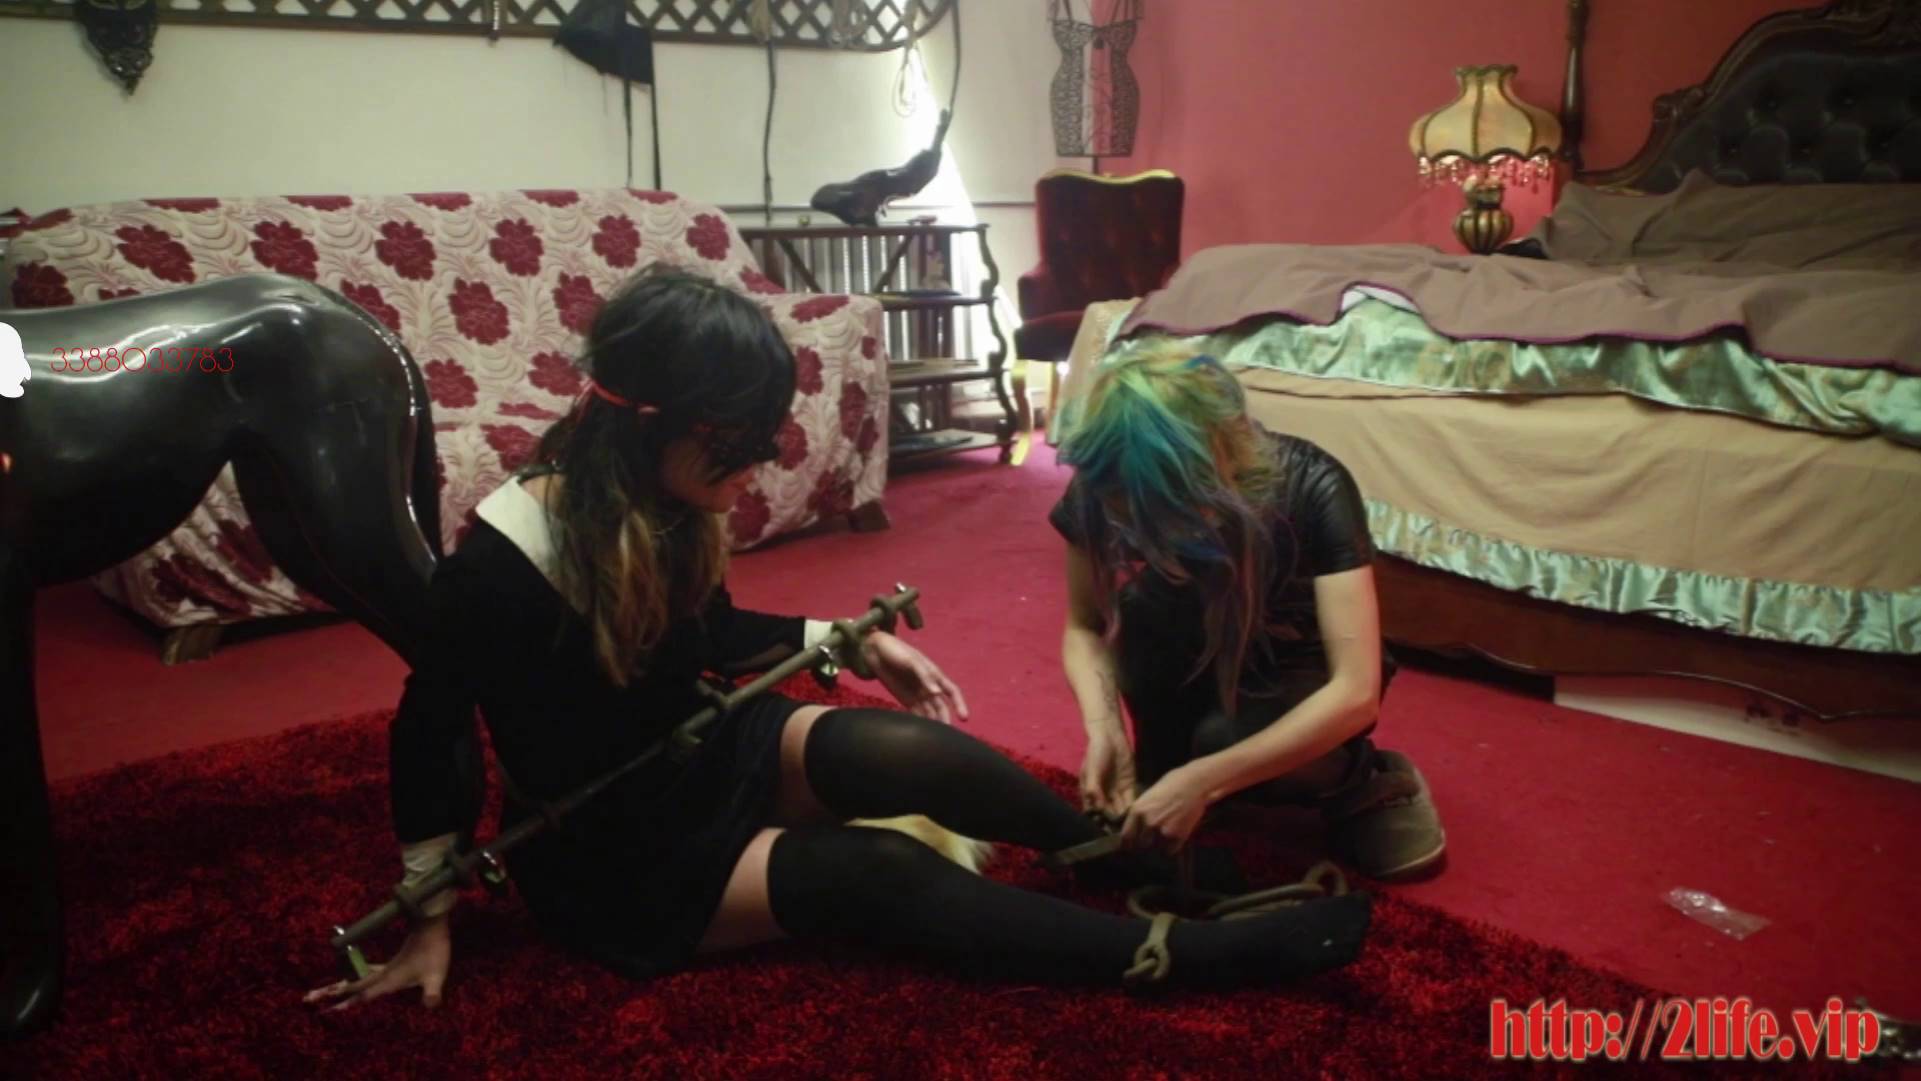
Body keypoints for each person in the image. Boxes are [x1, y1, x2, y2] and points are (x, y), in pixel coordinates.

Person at [306, 269, 1370, 1011]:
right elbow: (429, 732)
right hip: (620, 853)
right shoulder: (499, 562)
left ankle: (1110, 854)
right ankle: (1178, 954)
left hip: (697, 748)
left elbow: (706, 634)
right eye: (739, 442)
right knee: (877, 873)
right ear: (650, 423)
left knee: (909, 753)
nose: (759, 465)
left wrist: (843, 640)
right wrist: (430, 913)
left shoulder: (659, 503)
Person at [1054, 340, 1445, 878]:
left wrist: (1206, 780)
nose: (1148, 535)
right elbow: (1084, 626)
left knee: (1224, 744)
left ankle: (1362, 777)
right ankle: (1181, 765)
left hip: (1291, 659)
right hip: (1187, 643)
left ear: (1220, 461)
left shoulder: (1313, 483)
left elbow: (1356, 692)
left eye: (1166, 514)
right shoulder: (1103, 480)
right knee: (1140, 618)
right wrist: (1106, 732)